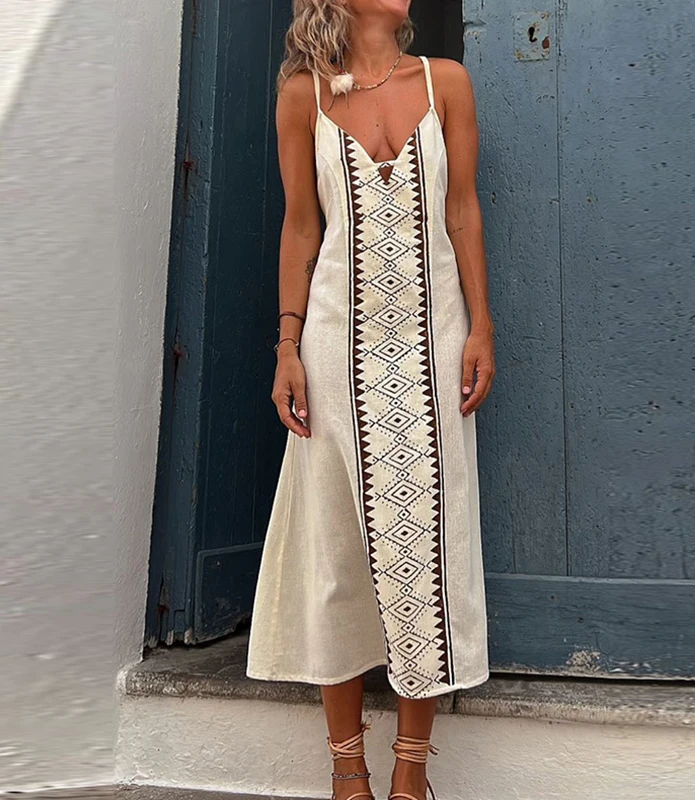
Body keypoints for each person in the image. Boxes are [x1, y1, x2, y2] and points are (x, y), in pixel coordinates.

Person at [246, 2, 495, 798]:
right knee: (335, 546)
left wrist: (481, 325)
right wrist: (287, 348)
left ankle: (411, 773)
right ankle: (347, 768)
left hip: (433, 339)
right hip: (331, 342)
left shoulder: (446, 82)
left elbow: (463, 210)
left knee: (428, 544)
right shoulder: (304, 94)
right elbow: (300, 226)